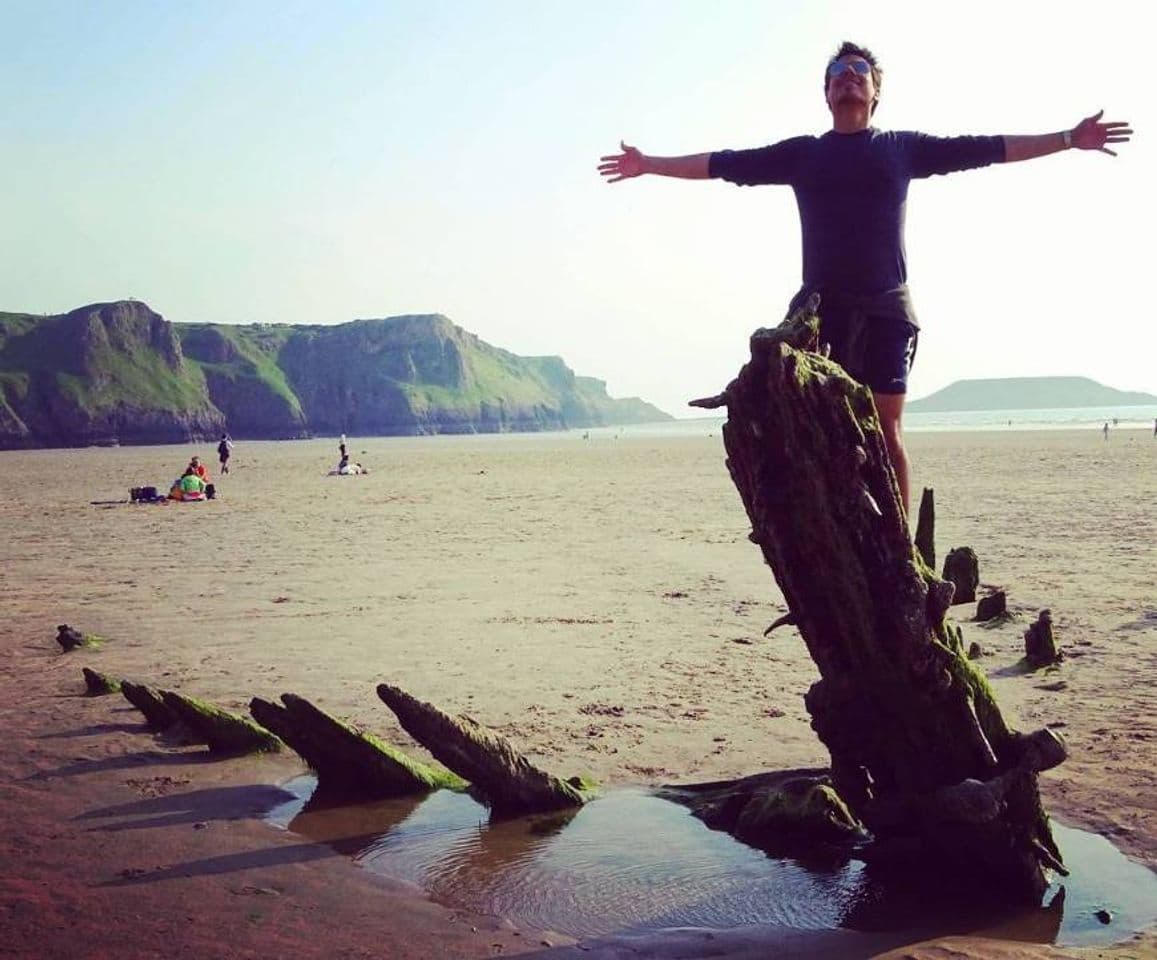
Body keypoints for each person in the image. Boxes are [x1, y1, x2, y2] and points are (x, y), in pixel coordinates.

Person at [598, 41, 1131, 515]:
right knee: (822, 431)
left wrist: (1067, 138)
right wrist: (648, 164)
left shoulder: (901, 148)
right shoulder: (803, 154)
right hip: (818, 316)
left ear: (875, 93)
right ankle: (832, 524)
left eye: (859, 70)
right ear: (826, 93)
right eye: (838, 72)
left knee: (886, 428)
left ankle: (896, 542)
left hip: (886, 308)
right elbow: (723, 164)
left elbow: (986, 149)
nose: (849, 76)